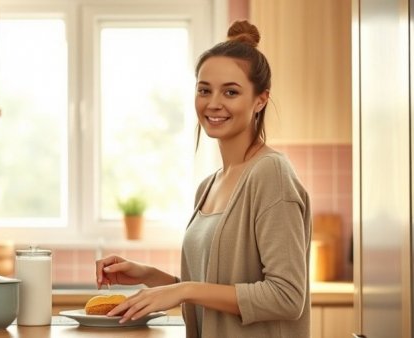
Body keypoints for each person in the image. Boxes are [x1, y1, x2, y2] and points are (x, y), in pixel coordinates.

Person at [95, 20, 312, 338]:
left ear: (260, 100)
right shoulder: (208, 186)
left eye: (231, 92)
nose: (213, 103)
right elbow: (210, 296)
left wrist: (184, 290)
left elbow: (287, 296)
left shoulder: (270, 173)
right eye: (204, 90)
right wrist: (149, 275)